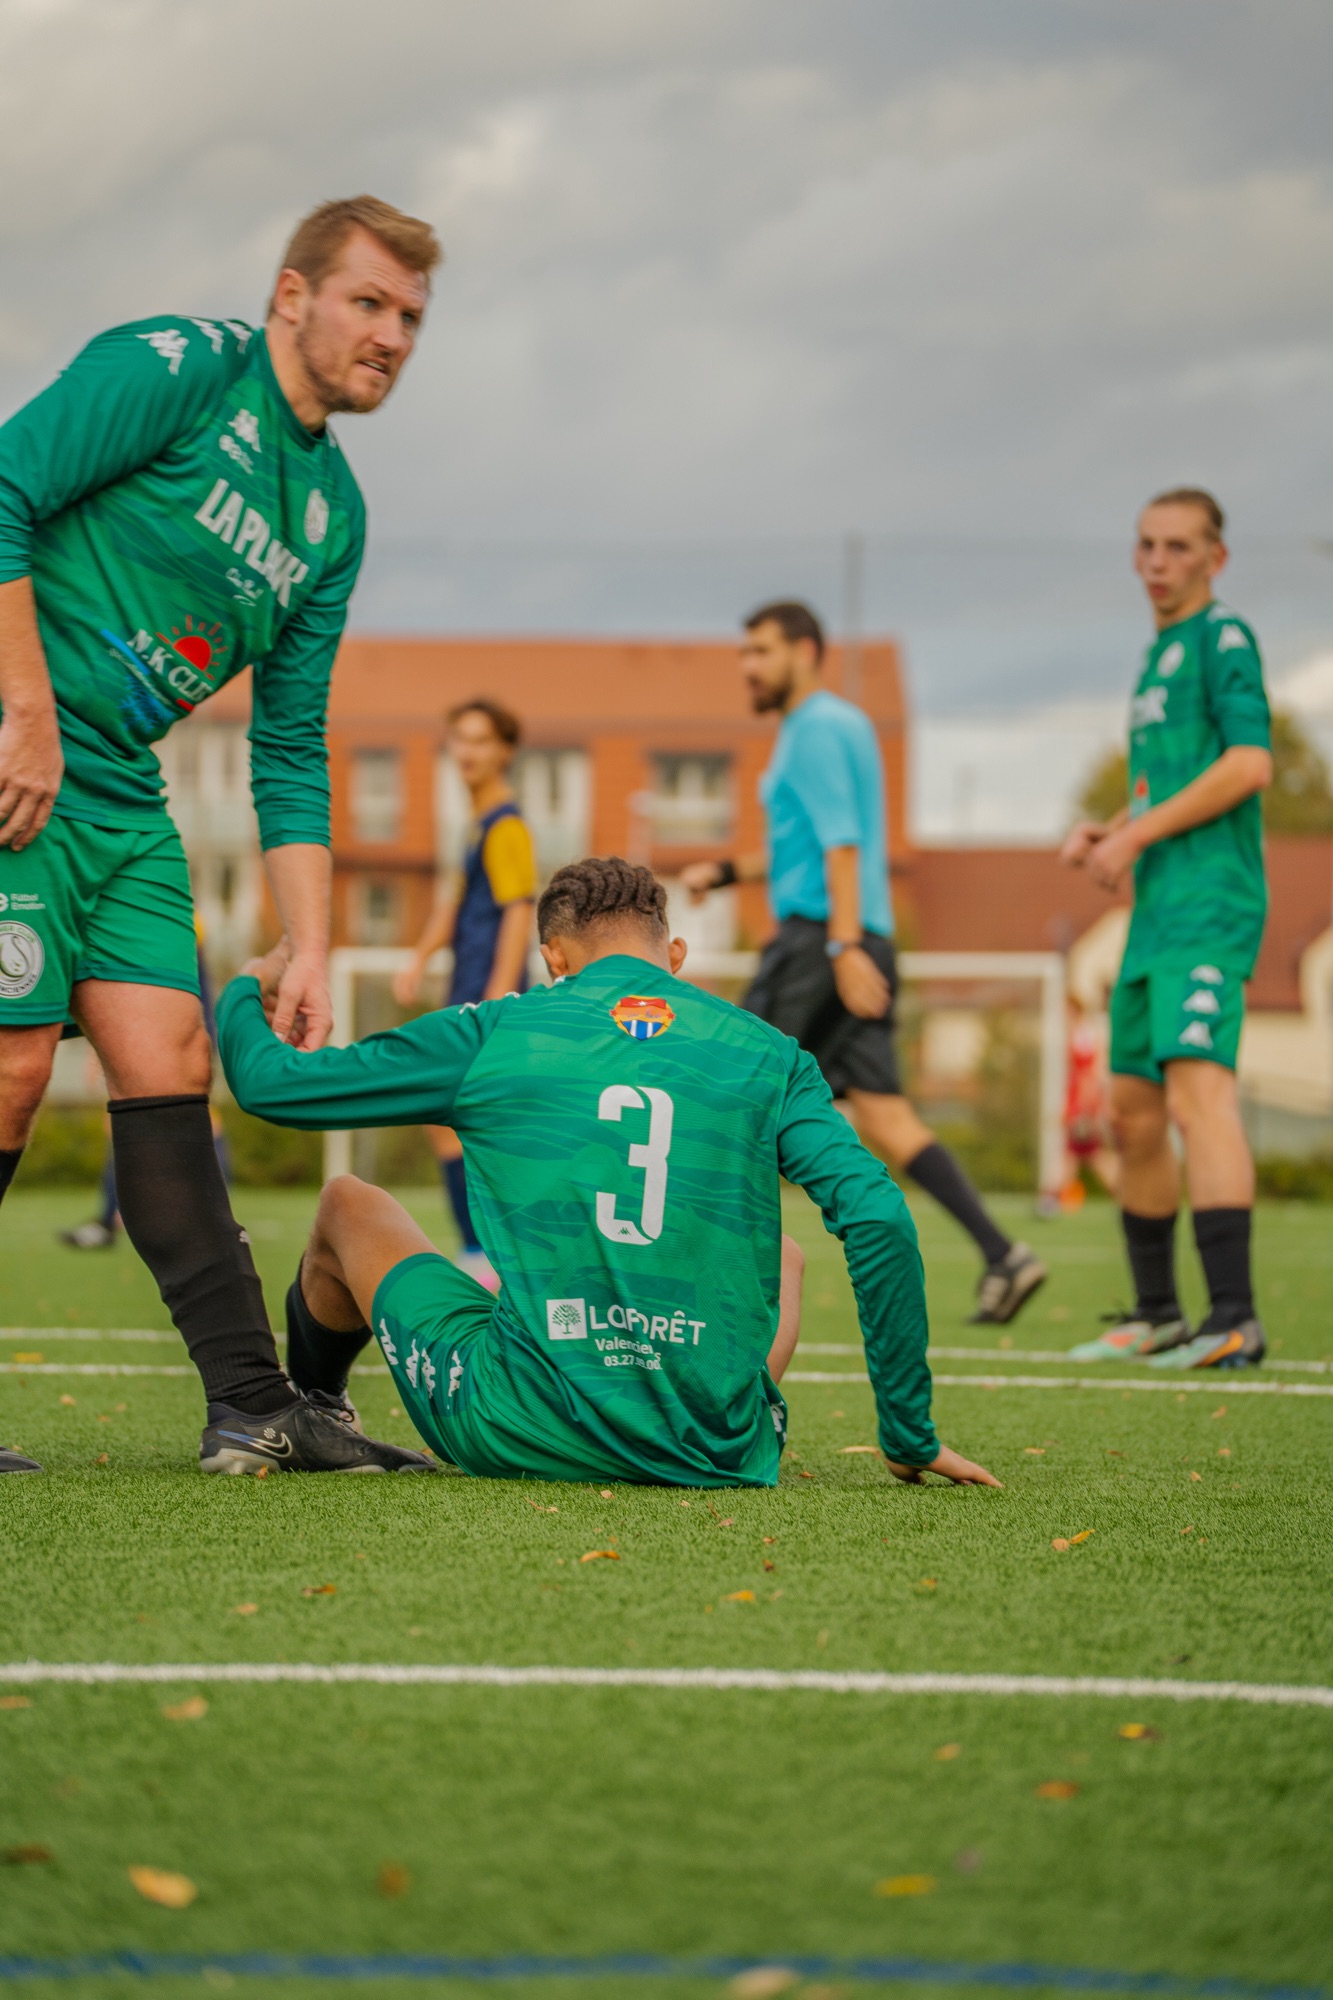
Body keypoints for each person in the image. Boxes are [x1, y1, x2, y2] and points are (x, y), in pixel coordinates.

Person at [0, 195, 441, 1476]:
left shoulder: (334, 517)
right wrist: (26, 711)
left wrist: (310, 949)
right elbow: (4, 486)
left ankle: (254, 1402)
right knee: (15, 1064)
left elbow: (290, 748)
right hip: (16, 747)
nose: (392, 335)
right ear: (292, 297)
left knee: (172, 1053)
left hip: (117, 794)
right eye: (368, 302)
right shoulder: (180, 368)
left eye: (412, 317)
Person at [217, 856, 1001, 1491]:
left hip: (523, 1425)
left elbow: (270, 1085)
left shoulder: (501, 1030)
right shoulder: (768, 1052)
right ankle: (700, 1412)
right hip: (714, 1450)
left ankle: (315, 1408)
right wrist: (908, 1434)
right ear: (674, 956)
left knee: (346, 1203)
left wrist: (246, 989)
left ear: (552, 959)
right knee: (784, 1255)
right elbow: (878, 1215)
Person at [682, 600, 1046, 1326]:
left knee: (730, 1088)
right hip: (852, 935)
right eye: (744, 653)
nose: (748, 667)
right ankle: (1004, 1254)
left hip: (821, 942)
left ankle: (704, 1279)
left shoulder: (816, 728)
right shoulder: (831, 726)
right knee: (885, 1115)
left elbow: (841, 845)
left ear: (805, 652)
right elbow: (804, 846)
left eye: (761, 651)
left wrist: (841, 948)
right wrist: (726, 872)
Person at [1061, 489, 1271, 1369]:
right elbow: (1168, 787)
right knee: (1131, 1114)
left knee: (1196, 1099)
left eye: (1178, 546)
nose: (1157, 560)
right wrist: (1113, 826)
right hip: (1153, 917)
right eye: (1146, 544)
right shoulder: (1155, 659)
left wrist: (1137, 836)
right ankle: (1157, 1314)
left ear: (1214, 558)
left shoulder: (1224, 638)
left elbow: (1248, 763)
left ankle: (1234, 1319)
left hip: (1209, 907)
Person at [392, 699, 536, 1290]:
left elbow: (518, 911)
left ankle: (485, 1254)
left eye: (480, 740)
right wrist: (419, 958)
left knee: (456, 1119)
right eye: (459, 738)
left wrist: (498, 995)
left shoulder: (506, 826)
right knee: (460, 1123)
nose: (467, 751)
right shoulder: (477, 824)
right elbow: (454, 905)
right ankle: (487, 1252)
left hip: (487, 996)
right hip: (467, 992)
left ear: (505, 750)